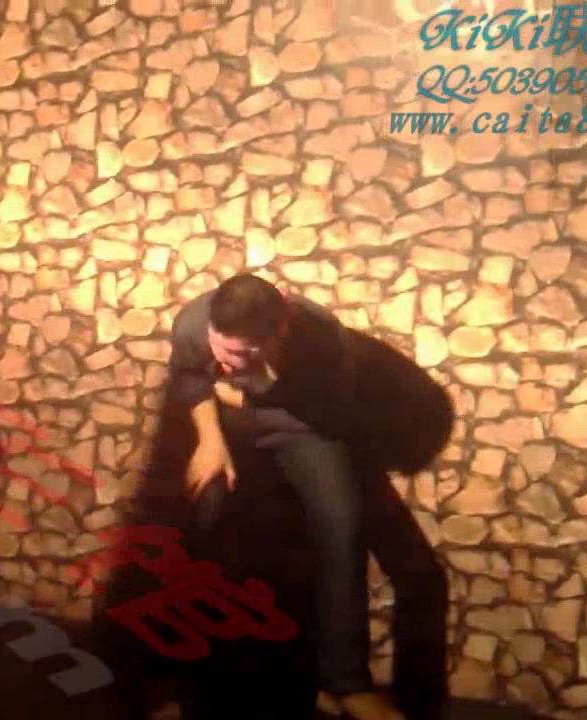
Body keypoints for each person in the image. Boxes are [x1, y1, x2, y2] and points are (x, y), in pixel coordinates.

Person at [168, 273, 448, 720]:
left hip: (303, 423)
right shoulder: (192, 322)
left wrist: (245, 395)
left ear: (280, 331)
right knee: (203, 513)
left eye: (244, 354)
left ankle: (345, 681)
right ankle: (194, 682)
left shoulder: (325, 342)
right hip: (231, 419)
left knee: (342, 523)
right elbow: (189, 378)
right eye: (222, 349)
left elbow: (326, 413)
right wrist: (210, 440)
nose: (229, 361)